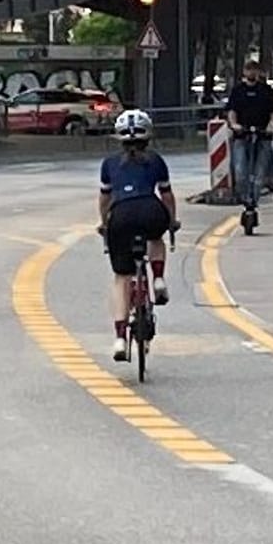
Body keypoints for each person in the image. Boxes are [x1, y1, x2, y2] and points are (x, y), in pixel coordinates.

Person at [98, 109, 178, 362]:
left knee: (122, 278)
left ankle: (120, 338)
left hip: (120, 216)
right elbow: (166, 195)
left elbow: (104, 198)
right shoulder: (156, 160)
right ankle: (158, 279)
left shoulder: (109, 164)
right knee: (156, 238)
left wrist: (103, 223)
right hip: (150, 209)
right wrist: (171, 220)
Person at [225, 60, 273, 205]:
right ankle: (244, 197)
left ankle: (254, 198)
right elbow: (232, 110)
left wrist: (271, 124)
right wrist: (234, 124)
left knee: (260, 170)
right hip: (242, 135)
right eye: (249, 70)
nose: (252, 73)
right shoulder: (238, 91)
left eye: (254, 70)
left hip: (263, 135)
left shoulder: (266, 90)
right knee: (240, 169)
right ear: (244, 72)